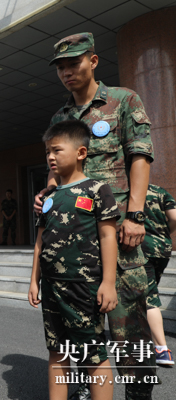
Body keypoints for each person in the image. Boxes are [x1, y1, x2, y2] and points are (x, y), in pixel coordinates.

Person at [35, 32, 157, 400]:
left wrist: (134, 214)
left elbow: (140, 156)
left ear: (93, 61)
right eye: (61, 67)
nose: (67, 72)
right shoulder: (62, 115)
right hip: (74, 244)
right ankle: (88, 390)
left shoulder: (122, 101)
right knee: (77, 331)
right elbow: (56, 172)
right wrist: (47, 193)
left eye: (74, 63)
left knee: (127, 329)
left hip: (118, 234)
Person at [29, 120, 119, 400]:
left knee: (92, 355)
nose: (50, 157)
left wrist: (108, 282)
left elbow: (108, 237)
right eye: (47, 152)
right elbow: (40, 241)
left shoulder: (97, 189)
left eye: (57, 150)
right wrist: (34, 280)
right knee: (57, 351)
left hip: (84, 286)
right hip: (52, 286)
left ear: (81, 152)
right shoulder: (49, 197)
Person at [141, 184, 176, 366]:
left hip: (142, 248)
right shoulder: (160, 191)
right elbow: (174, 217)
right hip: (163, 247)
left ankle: (162, 349)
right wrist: (163, 234)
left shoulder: (129, 192)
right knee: (148, 291)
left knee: (149, 298)